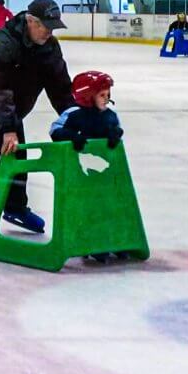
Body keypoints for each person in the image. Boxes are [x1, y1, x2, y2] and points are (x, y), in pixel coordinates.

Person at [0, 0, 74, 242]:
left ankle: (15, 208)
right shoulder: (4, 42)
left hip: (10, 109)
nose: (49, 32)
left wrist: (73, 118)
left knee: (18, 158)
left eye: (53, 27)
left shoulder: (49, 48)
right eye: (45, 26)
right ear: (31, 21)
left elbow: (61, 88)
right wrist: (9, 129)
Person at [50, 70, 126, 262]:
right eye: (102, 95)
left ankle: (114, 241)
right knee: (87, 208)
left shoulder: (110, 116)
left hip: (105, 173)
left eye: (108, 95)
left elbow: (116, 129)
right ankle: (90, 242)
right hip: (81, 173)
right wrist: (72, 136)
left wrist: (115, 134)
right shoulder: (74, 114)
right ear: (87, 96)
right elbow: (55, 130)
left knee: (109, 206)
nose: (107, 99)